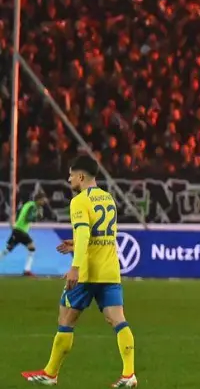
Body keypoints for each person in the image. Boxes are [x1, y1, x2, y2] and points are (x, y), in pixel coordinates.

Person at [21, 156, 136, 386]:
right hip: (110, 270)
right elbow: (103, 236)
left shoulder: (79, 202)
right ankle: (129, 374)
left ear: (81, 177)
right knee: (118, 320)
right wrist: (75, 245)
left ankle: (50, 373)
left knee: (66, 317)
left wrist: (75, 267)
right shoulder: (109, 199)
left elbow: (84, 234)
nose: (69, 178)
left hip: (87, 273)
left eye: (71, 175)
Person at [6, 194, 42, 276]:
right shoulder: (33, 206)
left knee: (8, 249)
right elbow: (27, 218)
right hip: (21, 231)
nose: (43, 202)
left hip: (18, 229)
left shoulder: (28, 204)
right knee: (32, 247)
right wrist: (36, 216)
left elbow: (20, 213)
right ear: (38, 199)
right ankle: (27, 270)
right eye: (42, 200)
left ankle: (27, 270)